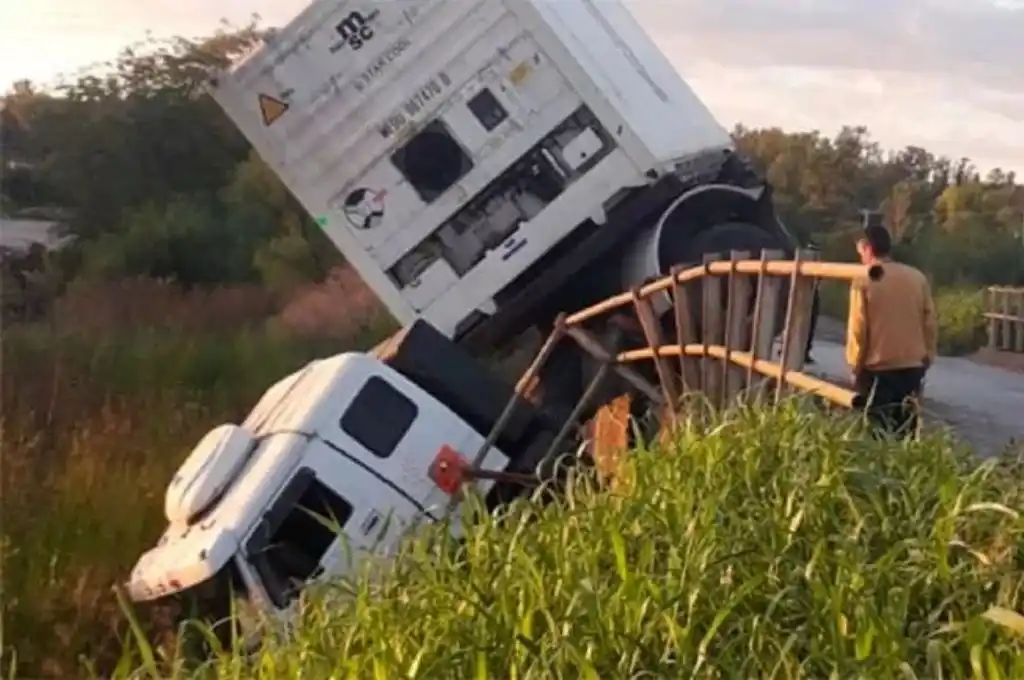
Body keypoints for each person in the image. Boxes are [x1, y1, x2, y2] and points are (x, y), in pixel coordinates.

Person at [846, 225, 937, 439]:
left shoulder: (863, 280)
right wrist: (928, 356)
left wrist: (855, 365)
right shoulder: (917, 278)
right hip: (912, 366)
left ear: (867, 248)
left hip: (877, 368)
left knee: (875, 433)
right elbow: (930, 322)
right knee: (905, 431)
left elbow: (858, 328)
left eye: (860, 251)